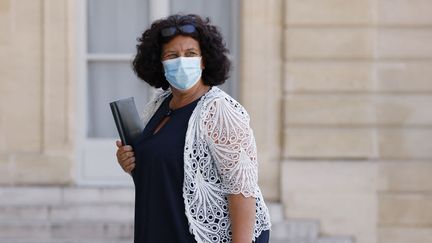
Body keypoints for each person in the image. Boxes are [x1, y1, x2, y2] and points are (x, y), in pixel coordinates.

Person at [115, 14, 271, 243]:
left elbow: (242, 192)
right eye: (171, 55)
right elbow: (166, 167)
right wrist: (129, 161)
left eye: (190, 54)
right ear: (159, 62)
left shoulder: (219, 110)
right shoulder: (159, 105)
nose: (181, 61)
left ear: (204, 60)